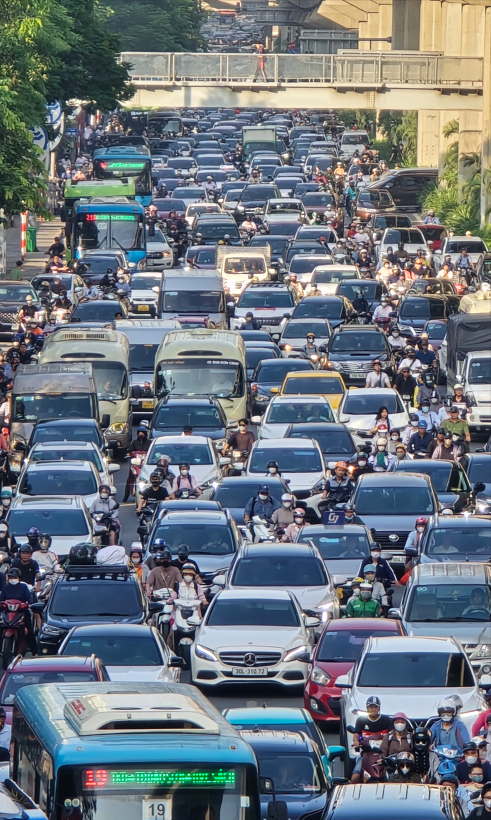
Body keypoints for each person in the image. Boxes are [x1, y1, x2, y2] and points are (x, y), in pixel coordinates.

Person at [0, 567, 37, 655]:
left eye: (15, 577)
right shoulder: (6, 588)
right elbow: (2, 599)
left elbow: (29, 598)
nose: (13, 579)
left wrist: (30, 604)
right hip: (8, 613)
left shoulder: (23, 587)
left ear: (19, 578)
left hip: (22, 612)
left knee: (29, 630)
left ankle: (35, 652)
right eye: (11, 577)